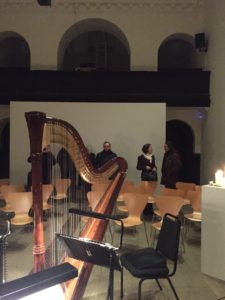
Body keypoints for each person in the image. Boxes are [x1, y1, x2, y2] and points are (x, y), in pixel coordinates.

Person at [136, 143, 157, 215]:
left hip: (152, 178)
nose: (152, 149)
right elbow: (138, 167)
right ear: (147, 149)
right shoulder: (141, 157)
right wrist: (145, 167)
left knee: (150, 194)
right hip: (145, 178)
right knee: (145, 194)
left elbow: (154, 165)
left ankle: (150, 210)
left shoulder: (153, 156)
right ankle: (145, 210)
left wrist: (155, 168)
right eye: (150, 147)